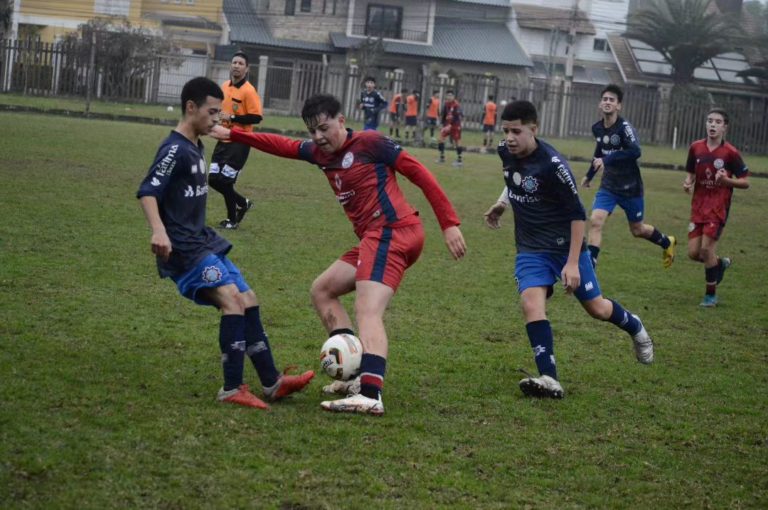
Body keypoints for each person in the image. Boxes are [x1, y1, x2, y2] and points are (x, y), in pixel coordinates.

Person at [210, 94, 467, 415]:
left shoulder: (371, 143)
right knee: (323, 290)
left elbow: (420, 174)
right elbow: (282, 145)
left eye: (324, 127)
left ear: (342, 120)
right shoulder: (320, 153)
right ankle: (354, 372)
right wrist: (234, 134)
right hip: (377, 237)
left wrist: (449, 223)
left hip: (394, 231)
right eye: (312, 130)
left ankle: (371, 393)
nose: (318, 136)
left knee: (367, 309)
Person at [137, 77, 314, 410]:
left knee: (248, 297)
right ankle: (232, 388)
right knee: (232, 300)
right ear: (191, 108)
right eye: (212, 112)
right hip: (183, 249)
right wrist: (158, 231)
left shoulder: (196, 145)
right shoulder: (174, 148)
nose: (217, 119)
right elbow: (148, 190)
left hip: (203, 242)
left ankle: (272, 382)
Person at [483, 100, 654, 399]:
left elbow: (577, 215)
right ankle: (549, 378)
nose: (509, 137)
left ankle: (635, 325)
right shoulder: (505, 151)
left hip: (565, 248)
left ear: (534, 130)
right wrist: (502, 204)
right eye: (506, 130)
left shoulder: (554, 165)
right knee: (531, 304)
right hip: (530, 248)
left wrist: (573, 263)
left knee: (597, 308)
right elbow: (514, 179)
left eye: (516, 131)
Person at [580, 84, 675, 269]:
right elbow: (599, 150)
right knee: (595, 220)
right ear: (600, 104)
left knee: (637, 230)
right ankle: (590, 264)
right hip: (609, 186)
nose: (608, 102)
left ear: (618, 106)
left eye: (612, 100)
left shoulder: (624, 128)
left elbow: (635, 151)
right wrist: (590, 174)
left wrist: (607, 159)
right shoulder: (597, 128)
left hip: (631, 187)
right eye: (605, 99)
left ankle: (666, 242)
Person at [683, 108, 749, 307]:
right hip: (698, 207)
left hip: (718, 208)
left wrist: (727, 181)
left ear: (724, 127)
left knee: (706, 249)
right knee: (694, 253)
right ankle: (719, 264)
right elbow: (690, 173)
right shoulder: (696, 147)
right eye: (710, 120)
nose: (712, 125)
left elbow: (746, 182)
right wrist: (687, 183)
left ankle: (710, 295)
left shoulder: (730, 153)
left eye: (717, 122)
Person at [208, 51, 263, 230]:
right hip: (223, 138)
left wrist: (232, 117)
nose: (236, 66)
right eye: (234, 62)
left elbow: (256, 118)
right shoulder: (224, 86)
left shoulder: (249, 91)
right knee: (213, 179)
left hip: (240, 141)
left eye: (240, 63)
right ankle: (242, 203)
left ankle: (232, 220)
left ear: (247, 69)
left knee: (226, 181)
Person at [437, 90, 463, 167]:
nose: (449, 97)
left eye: (451, 95)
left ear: (453, 97)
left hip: (455, 126)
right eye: (448, 95)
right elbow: (444, 115)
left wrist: (451, 125)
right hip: (447, 125)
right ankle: (442, 157)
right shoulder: (446, 104)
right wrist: (442, 124)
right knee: (441, 138)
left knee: (457, 141)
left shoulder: (456, 105)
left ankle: (459, 160)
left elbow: (458, 117)